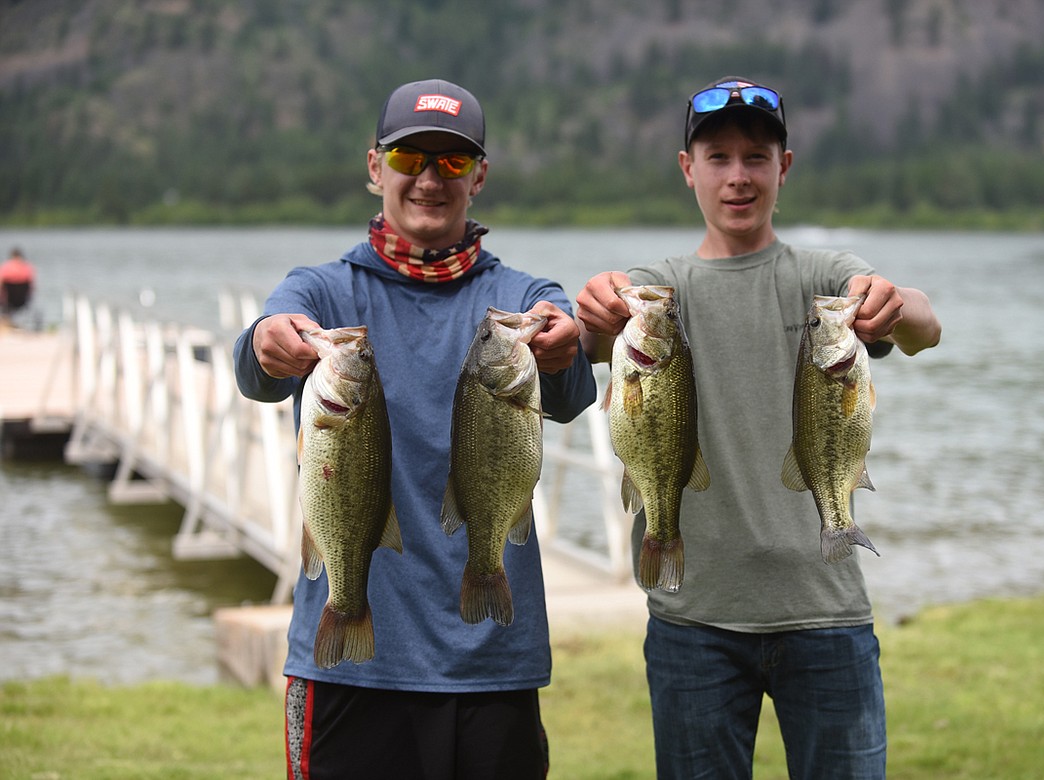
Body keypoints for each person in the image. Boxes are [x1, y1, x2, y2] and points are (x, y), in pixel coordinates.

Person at [575, 76, 942, 780]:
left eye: (755, 157)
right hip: (693, 623)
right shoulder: (661, 286)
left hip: (827, 613)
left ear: (785, 166)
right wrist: (593, 310)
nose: (738, 176)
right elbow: (589, 340)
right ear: (688, 169)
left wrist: (899, 305)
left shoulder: (826, 276)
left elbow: (924, 325)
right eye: (718, 157)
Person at [233, 78, 596, 779]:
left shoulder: (518, 300)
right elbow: (259, 361)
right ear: (375, 169)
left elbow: (571, 382)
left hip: (491, 663)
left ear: (479, 177)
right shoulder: (321, 291)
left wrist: (565, 342)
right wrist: (264, 343)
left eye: (453, 163)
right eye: (408, 159)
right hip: (351, 670)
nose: (429, 178)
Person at [0, 247, 36, 326]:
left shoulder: (6, 267)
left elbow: (1, 284)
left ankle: (5, 322)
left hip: (8, 301)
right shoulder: (27, 268)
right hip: (23, 301)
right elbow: (32, 287)